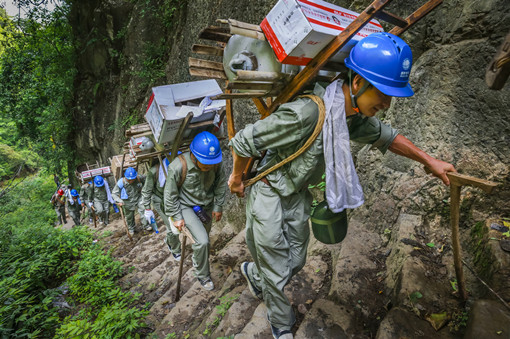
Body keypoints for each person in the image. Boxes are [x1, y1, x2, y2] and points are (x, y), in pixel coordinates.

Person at [228, 32, 456, 339]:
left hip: (296, 195)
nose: (386, 104)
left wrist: (429, 160)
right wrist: (236, 177)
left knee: (295, 260)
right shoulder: (306, 114)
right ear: (359, 83)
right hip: (268, 192)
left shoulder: (347, 116)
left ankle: (253, 274)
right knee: (275, 267)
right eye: (383, 94)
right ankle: (280, 323)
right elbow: (244, 141)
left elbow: (386, 136)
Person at [164, 131, 227, 291]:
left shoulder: (216, 164)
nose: (208, 167)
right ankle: (202, 274)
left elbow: (220, 185)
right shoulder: (178, 166)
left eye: (210, 164)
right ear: (193, 155)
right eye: (204, 163)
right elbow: (170, 194)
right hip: (185, 207)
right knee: (203, 241)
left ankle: (198, 258)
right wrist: (176, 216)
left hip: (206, 206)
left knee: (203, 240)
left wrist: (218, 206)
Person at [141, 155, 182, 261]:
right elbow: (146, 190)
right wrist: (147, 208)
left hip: (174, 198)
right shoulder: (154, 171)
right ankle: (175, 250)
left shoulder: (181, 166)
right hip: (159, 199)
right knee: (171, 225)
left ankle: (169, 240)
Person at [112, 167, 148, 235]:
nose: (131, 181)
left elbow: (147, 179)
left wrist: (145, 190)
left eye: (132, 179)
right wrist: (119, 201)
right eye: (129, 180)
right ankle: (131, 228)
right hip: (127, 201)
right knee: (129, 216)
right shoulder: (121, 182)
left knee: (143, 209)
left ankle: (146, 225)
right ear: (125, 177)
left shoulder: (139, 178)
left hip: (138, 197)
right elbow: (114, 194)